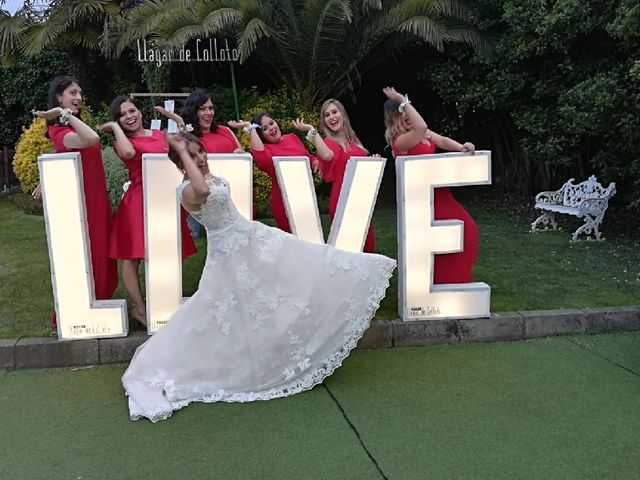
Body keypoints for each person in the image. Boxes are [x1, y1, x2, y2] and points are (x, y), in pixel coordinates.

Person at [122, 131, 396, 423]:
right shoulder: (187, 189)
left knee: (298, 272)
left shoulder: (214, 179)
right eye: (192, 155)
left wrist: (255, 236)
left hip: (250, 240)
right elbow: (202, 192)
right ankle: (237, 367)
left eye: (200, 151)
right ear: (180, 163)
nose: (200, 158)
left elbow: (224, 205)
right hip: (227, 255)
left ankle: (280, 355)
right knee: (223, 311)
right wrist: (182, 151)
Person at [99, 96, 197, 326]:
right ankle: (139, 308)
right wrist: (114, 129)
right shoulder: (121, 141)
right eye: (122, 115)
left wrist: (177, 120)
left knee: (167, 251)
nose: (129, 117)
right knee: (132, 257)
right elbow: (129, 154)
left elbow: (187, 146)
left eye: (132, 111)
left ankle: (165, 301)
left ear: (140, 112)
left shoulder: (158, 135)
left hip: (163, 199)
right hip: (137, 201)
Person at [34, 76, 118, 329]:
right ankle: (83, 311)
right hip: (83, 203)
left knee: (102, 253)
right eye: (72, 93)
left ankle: (97, 305)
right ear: (59, 97)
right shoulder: (60, 130)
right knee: (90, 254)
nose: (78, 97)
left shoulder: (71, 127)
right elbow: (92, 139)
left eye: (80, 92)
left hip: (96, 198)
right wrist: (63, 114)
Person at [383, 86, 478, 284]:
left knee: (468, 232)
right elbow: (422, 127)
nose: (408, 115)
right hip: (423, 201)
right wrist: (403, 100)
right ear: (394, 118)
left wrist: (461, 147)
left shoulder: (422, 134)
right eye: (403, 112)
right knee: (449, 238)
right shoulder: (400, 141)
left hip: (442, 195)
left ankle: (453, 280)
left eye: (409, 109)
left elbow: (441, 140)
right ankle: (443, 281)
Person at [228, 113, 330, 233]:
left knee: (311, 235)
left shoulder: (292, 137)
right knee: (292, 242)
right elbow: (263, 161)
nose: (271, 128)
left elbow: (306, 156)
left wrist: (314, 162)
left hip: (305, 197)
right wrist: (250, 127)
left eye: (271, 123)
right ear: (261, 134)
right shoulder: (266, 150)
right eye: (265, 129)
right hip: (284, 201)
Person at [314, 99, 376, 252]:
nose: (332, 117)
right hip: (343, 198)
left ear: (343, 114)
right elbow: (327, 156)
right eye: (327, 115)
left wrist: (372, 162)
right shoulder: (328, 142)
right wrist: (312, 132)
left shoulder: (353, 139)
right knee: (349, 249)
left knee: (367, 246)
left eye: (334, 112)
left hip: (361, 198)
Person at [156, 89, 244, 154]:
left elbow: (244, 158)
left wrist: (240, 155)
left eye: (211, 108)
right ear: (192, 112)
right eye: (202, 109)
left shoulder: (226, 130)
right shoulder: (187, 138)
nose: (209, 113)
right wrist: (180, 123)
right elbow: (185, 158)